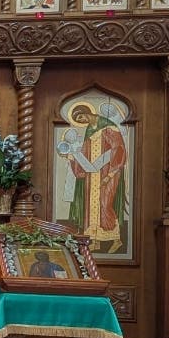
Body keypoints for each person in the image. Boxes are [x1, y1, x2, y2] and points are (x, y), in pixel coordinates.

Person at [66, 103, 128, 254]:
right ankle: (95, 240)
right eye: (79, 120)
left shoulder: (108, 126)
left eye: (82, 117)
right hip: (92, 174)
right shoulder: (89, 130)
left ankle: (116, 239)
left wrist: (110, 175)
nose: (83, 121)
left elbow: (119, 149)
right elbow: (85, 152)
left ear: (87, 112)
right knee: (90, 207)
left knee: (105, 203)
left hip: (108, 172)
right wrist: (73, 158)